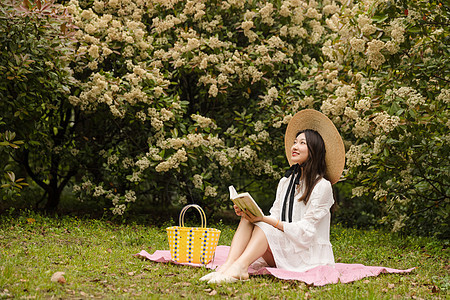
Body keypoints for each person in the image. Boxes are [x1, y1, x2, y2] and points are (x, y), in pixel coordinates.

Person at [200, 109, 346, 284]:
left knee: (266, 225)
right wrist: (251, 213)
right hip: (285, 250)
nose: (294, 146)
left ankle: (241, 267)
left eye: (302, 143)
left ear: (314, 150)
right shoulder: (287, 181)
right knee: (248, 219)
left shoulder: (322, 186)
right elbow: (275, 213)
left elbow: (306, 232)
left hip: (307, 256)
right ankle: (228, 266)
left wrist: (266, 221)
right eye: (294, 142)